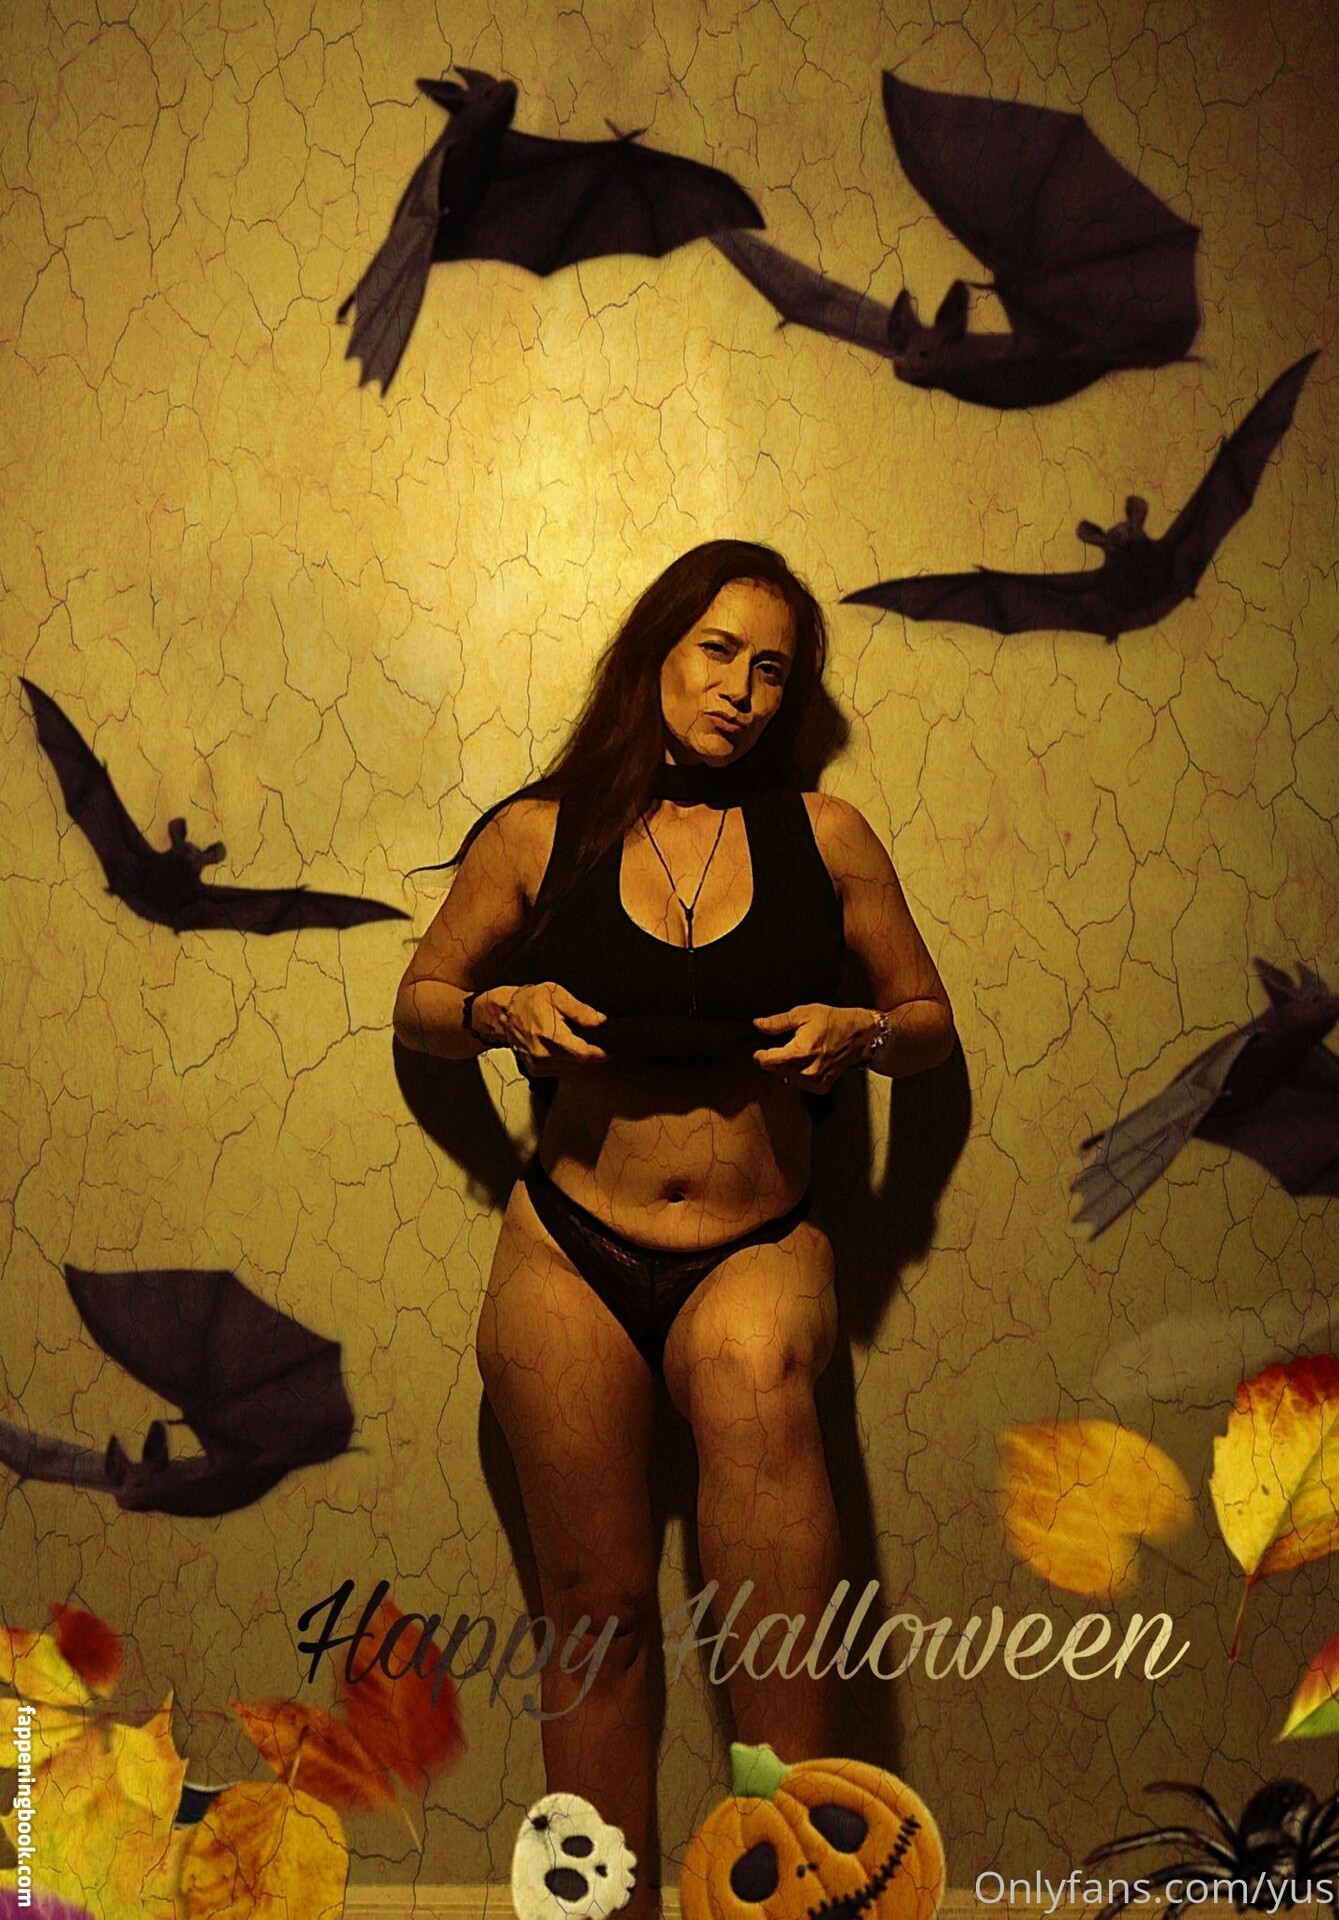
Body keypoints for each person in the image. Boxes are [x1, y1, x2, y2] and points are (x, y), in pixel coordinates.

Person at [394, 541, 954, 1912]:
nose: (743, 690)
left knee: (774, 1626)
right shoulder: (539, 833)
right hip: (567, 1248)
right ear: (656, 650)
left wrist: (867, 1034)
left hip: (758, 1251)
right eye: (718, 650)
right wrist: (496, 1011)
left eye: (774, 669)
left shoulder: (828, 838)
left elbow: (929, 1023)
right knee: (591, 1618)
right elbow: (421, 1000)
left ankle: (791, 1897)